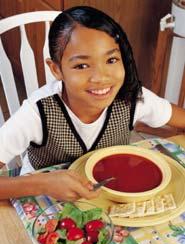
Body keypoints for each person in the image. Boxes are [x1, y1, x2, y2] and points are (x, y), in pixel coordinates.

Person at [0, 6, 184, 201]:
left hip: (107, 201)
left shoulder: (131, 97)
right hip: (43, 201)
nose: (101, 78)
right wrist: (43, 183)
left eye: (111, 59)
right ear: (56, 70)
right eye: (82, 66)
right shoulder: (38, 113)